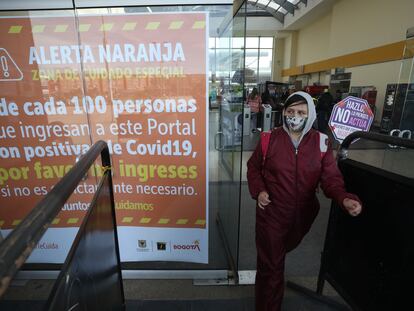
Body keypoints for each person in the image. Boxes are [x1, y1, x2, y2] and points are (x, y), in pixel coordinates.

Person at [246, 91, 362, 311]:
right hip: (272, 214)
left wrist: (344, 197)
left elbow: (330, 179)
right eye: (290, 111)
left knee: (280, 254)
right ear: (284, 113)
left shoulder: (321, 142)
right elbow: (253, 169)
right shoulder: (269, 139)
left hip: (303, 216)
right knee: (271, 267)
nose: (295, 116)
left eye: (301, 112)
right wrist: (259, 190)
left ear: (310, 115)